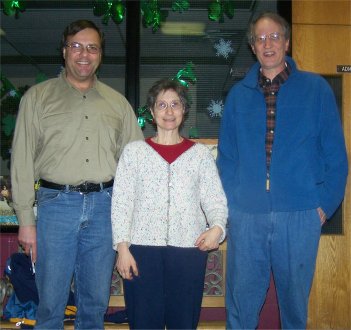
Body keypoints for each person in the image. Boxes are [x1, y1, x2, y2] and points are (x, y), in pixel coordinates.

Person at [217, 12, 348, 330]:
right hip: (247, 216)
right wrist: (233, 205)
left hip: (301, 214)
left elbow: (336, 156)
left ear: (287, 42)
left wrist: (322, 207)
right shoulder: (238, 96)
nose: (268, 43)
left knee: (293, 307)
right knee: (241, 304)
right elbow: (227, 159)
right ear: (252, 47)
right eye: (260, 38)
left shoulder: (315, 89)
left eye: (274, 36)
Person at [10, 19, 143, 329]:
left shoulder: (118, 104)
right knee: (51, 304)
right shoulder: (37, 98)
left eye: (92, 47)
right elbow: (22, 161)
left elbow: (136, 164)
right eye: (77, 46)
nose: (84, 54)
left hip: (104, 209)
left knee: (94, 305)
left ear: (100, 54)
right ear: (64, 51)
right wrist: (26, 222)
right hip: (56, 205)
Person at [111, 78, 228, 329]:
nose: (169, 111)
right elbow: (121, 203)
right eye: (161, 105)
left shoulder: (199, 155)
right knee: (143, 322)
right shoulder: (134, 153)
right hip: (141, 252)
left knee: (183, 322)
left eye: (175, 104)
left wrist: (217, 228)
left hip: (188, 251)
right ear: (152, 112)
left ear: (184, 110)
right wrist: (122, 248)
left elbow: (215, 200)